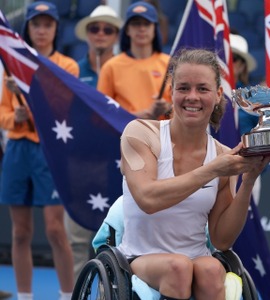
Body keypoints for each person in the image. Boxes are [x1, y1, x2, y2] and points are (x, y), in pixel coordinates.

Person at [117, 48, 270, 299]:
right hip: (141, 256)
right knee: (178, 267)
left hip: (196, 258)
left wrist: (249, 179)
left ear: (218, 95)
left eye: (202, 89)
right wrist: (212, 170)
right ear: (172, 92)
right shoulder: (140, 132)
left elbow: (222, 240)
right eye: (183, 88)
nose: (192, 97)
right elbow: (148, 199)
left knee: (211, 268)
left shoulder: (222, 155)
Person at [0, 2, 78, 300]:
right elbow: (3, 113)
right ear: (28, 29)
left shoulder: (67, 66)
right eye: (36, 24)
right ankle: (24, 297)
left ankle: (67, 295)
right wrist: (13, 118)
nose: (42, 30)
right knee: (20, 233)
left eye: (47, 24)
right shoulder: (13, 65)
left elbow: (64, 109)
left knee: (56, 230)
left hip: (51, 151)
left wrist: (27, 95)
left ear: (56, 28)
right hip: (18, 149)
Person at [63, 4, 123, 282]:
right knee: (76, 239)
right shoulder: (72, 71)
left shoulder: (124, 68)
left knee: (115, 238)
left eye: (108, 29)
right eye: (95, 29)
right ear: (87, 33)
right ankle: (77, 292)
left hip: (118, 163)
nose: (101, 34)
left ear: (116, 35)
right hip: (81, 161)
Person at [97, 1, 171, 120]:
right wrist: (135, 117)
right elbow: (101, 112)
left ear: (154, 28)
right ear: (127, 30)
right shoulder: (111, 67)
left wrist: (167, 108)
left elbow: (183, 109)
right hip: (124, 135)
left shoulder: (170, 64)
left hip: (163, 134)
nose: (141, 29)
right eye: (136, 24)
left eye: (147, 24)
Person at [230, 33, 263, 204]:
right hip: (208, 170)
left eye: (233, 58)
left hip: (245, 172)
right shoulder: (202, 95)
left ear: (242, 66)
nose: (227, 61)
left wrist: (253, 170)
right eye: (222, 56)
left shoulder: (255, 98)